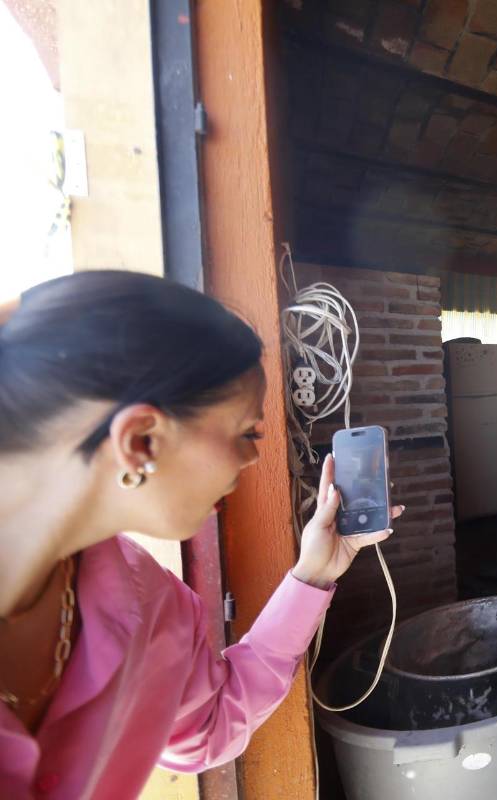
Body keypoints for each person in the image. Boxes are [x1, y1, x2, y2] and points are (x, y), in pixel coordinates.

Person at [0, 271, 402, 799]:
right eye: (245, 433)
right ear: (140, 440)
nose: (253, 459)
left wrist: (314, 573)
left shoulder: (151, 603)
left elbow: (212, 722)